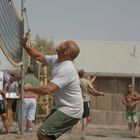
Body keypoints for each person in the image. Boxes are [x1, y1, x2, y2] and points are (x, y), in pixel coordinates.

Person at [22, 33, 83, 140]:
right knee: (46, 135)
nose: (61, 43)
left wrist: (29, 88)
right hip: (63, 107)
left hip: (71, 110)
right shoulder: (57, 59)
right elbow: (38, 56)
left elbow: (47, 89)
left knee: (42, 133)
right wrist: (26, 46)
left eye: (65, 44)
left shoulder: (66, 69)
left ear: (67, 52)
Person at [17, 65, 40, 134]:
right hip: (33, 99)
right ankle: (27, 131)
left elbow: (20, 88)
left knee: (21, 116)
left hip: (25, 98)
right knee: (30, 116)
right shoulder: (37, 80)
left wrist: (19, 93)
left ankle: (22, 131)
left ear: (27, 71)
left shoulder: (24, 78)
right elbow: (38, 90)